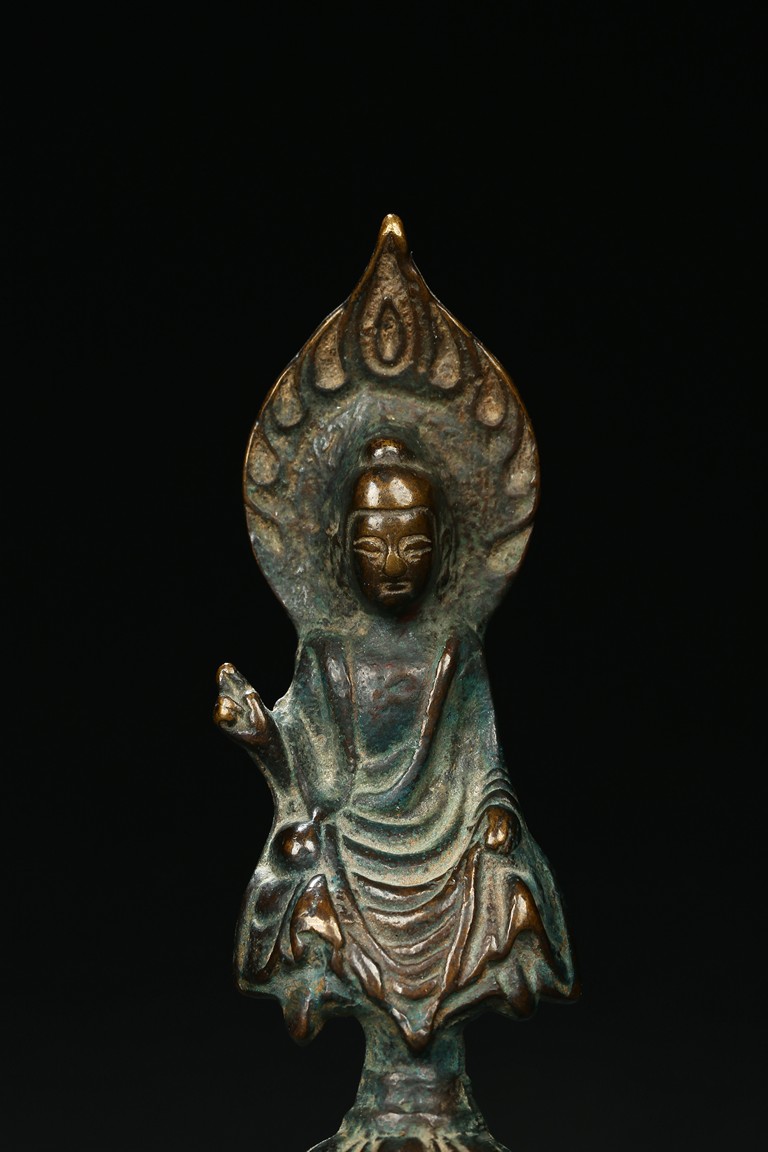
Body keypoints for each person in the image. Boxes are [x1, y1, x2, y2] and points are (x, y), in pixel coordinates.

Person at [214, 437, 578, 1051]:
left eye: (413, 548)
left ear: (444, 547)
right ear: (341, 551)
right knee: (299, 863)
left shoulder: (456, 648)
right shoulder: (326, 651)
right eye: (372, 548)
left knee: (506, 873)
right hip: (353, 831)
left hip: (444, 831)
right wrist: (261, 737)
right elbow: (310, 773)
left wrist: (495, 809)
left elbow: (483, 762)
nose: (391, 566)